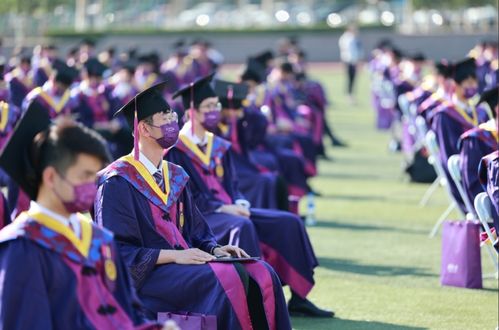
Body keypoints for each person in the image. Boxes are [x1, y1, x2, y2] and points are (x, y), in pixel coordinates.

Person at [95, 81, 292, 330]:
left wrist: (216, 249)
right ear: (144, 128)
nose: (172, 124)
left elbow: (197, 232)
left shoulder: (175, 174)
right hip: (150, 278)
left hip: (185, 264)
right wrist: (177, 256)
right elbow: (118, 252)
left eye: (172, 115)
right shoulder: (117, 182)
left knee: (261, 271)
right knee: (227, 280)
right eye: (164, 118)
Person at [167, 74, 334, 318]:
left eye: (217, 106)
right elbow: (183, 197)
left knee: (289, 222)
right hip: (203, 217)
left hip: (231, 208)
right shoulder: (175, 150)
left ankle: (299, 298)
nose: (215, 111)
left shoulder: (217, 145)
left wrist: (238, 201)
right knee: (242, 225)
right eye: (208, 107)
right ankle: (254, 304)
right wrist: (223, 208)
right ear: (191, 111)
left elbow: (232, 184)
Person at [0, 106, 161, 329]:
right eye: (84, 176)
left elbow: (129, 315)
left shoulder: (100, 240)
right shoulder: (23, 247)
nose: (92, 186)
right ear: (51, 177)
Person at [339, 24, 362, 104]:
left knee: (353, 79)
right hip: (349, 61)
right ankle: (349, 96)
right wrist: (352, 60)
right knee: (350, 79)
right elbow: (348, 51)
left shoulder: (353, 38)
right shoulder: (347, 38)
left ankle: (351, 95)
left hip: (352, 61)